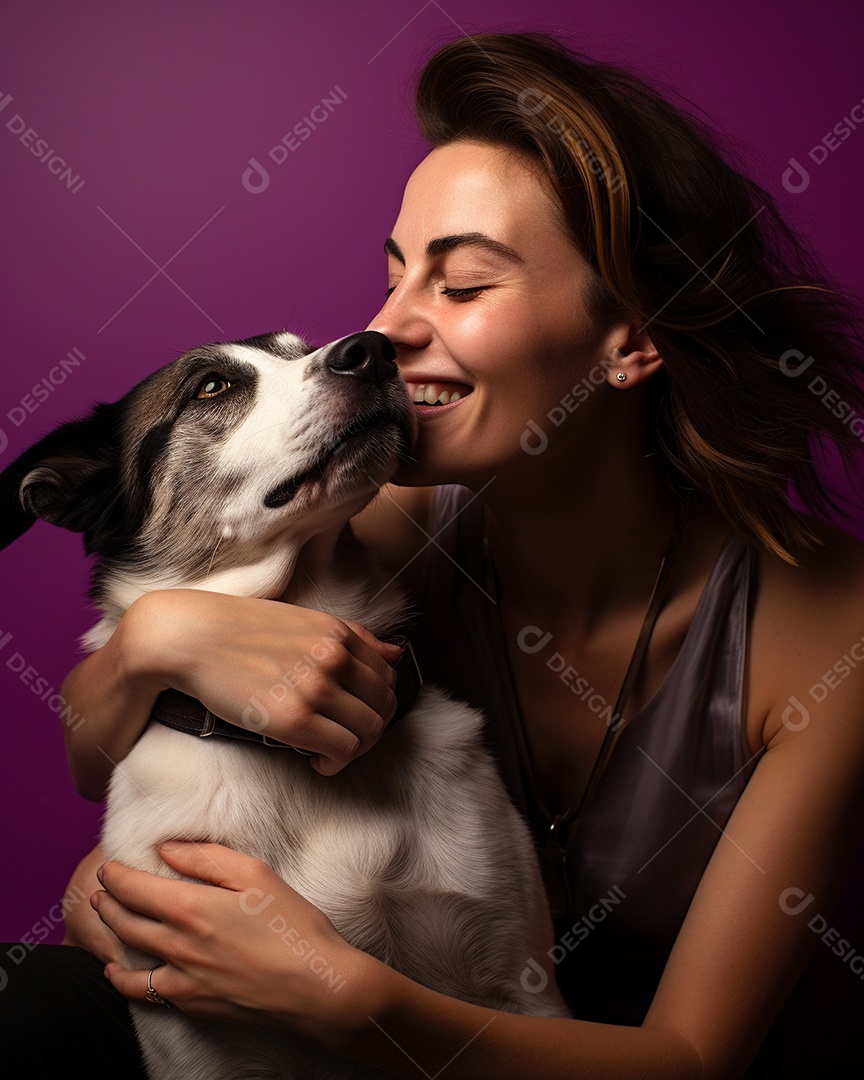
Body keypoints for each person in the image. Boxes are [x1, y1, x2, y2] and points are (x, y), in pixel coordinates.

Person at [4, 31, 864, 1079]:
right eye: (395, 273)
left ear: (633, 338)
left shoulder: (828, 628)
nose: (380, 331)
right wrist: (153, 640)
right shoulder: (369, 527)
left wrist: (351, 999)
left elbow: (692, 1058)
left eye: (461, 287)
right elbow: (104, 743)